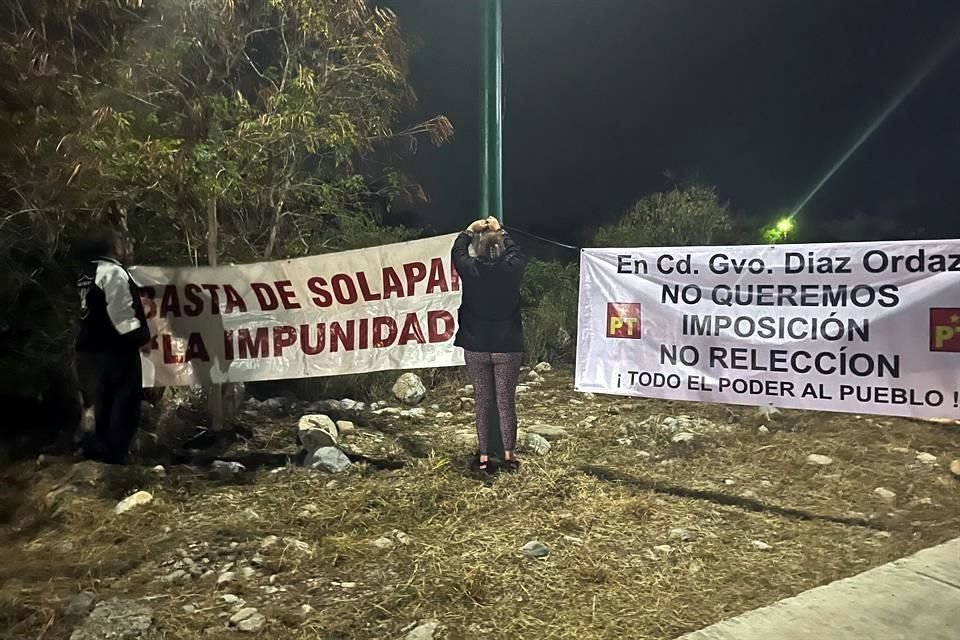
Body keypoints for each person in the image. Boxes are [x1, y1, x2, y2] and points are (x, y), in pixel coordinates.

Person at [451, 216, 528, 472]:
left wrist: (469, 230)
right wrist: (500, 230)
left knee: (483, 402)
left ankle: (483, 458)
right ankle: (509, 457)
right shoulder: (512, 269)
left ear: (479, 249)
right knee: (506, 403)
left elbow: (457, 251)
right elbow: (517, 253)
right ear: (502, 250)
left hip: (476, 346)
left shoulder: (470, 269)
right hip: (507, 346)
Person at [74, 228, 151, 464]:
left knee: (99, 401)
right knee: (122, 403)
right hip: (115, 350)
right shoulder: (114, 273)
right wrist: (140, 338)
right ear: (112, 247)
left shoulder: (86, 273)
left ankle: (95, 451)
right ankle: (113, 458)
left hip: (89, 349)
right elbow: (121, 314)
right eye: (120, 243)